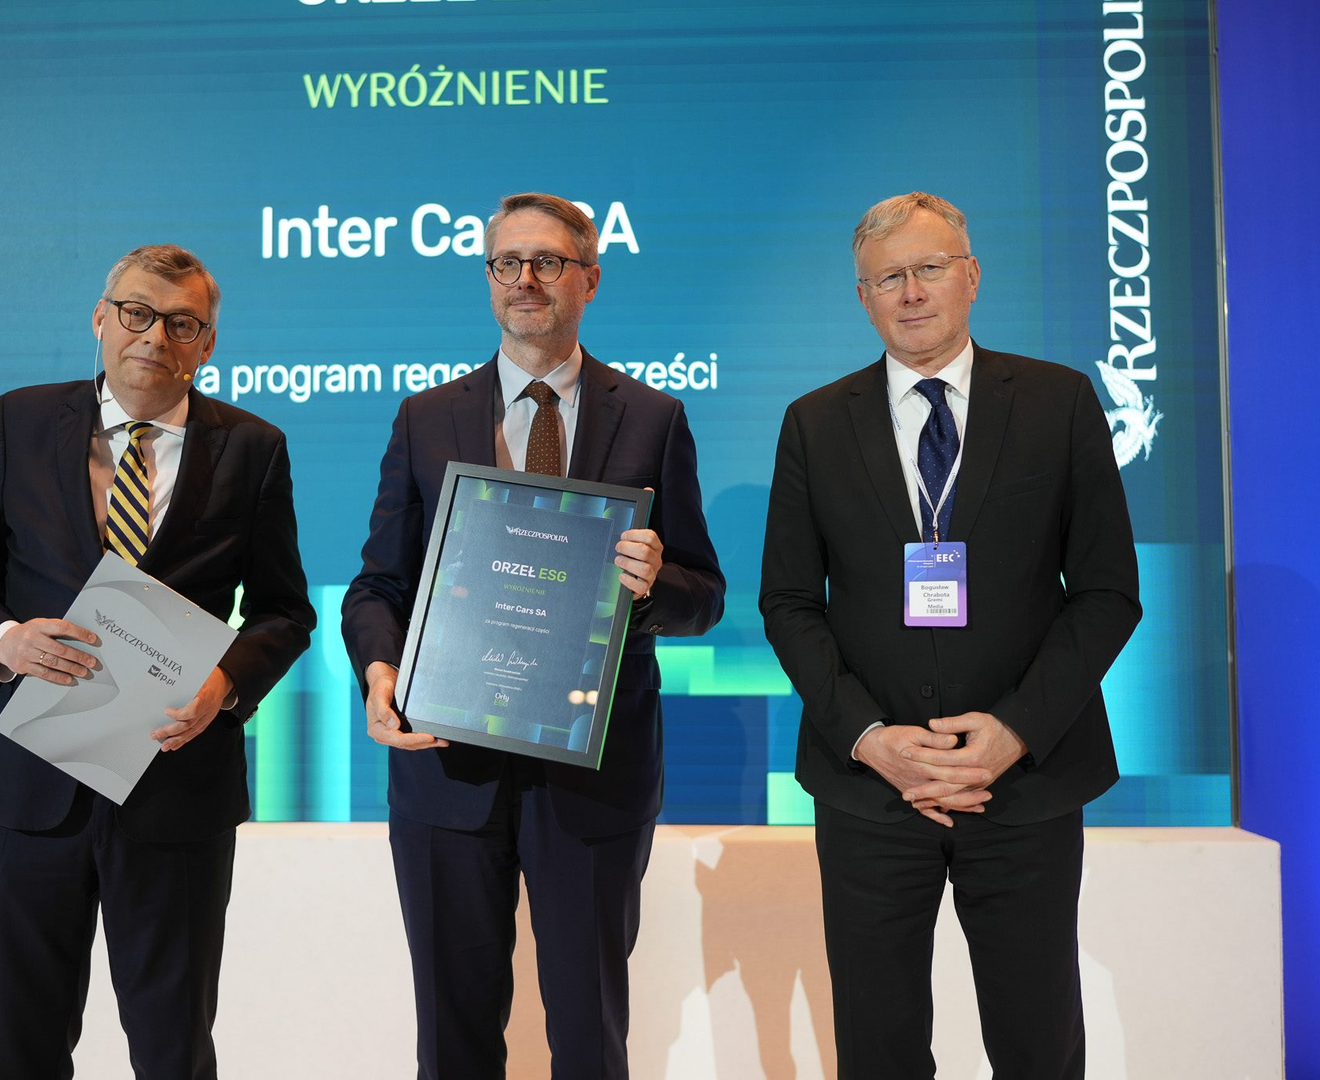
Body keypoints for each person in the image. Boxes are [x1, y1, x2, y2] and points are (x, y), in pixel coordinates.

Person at [758, 191, 1142, 1079]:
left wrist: (1013, 733)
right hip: (871, 793)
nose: (911, 292)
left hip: (1025, 786)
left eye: (929, 268)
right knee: (878, 1051)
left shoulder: (1058, 401)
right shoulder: (814, 421)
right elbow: (789, 602)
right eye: (887, 277)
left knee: (1038, 1046)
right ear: (863, 297)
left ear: (971, 276)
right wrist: (869, 739)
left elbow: (1107, 594)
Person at [342, 192, 725, 1079]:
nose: (525, 279)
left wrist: (652, 585)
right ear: (489, 280)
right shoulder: (425, 417)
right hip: (447, 769)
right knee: (453, 1042)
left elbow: (702, 597)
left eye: (548, 261)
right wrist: (379, 670)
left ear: (589, 279)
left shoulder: (654, 418)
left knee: (589, 1040)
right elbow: (378, 585)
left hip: (592, 776)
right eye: (506, 262)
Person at [0, 244, 315, 1079]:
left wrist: (227, 684)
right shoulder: (22, 420)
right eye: (137, 313)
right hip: (29, 781)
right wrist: (6, 642)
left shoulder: (253, 447)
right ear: (100, 319)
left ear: (207, 343)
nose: (154, 337)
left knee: (174, 1049)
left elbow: (285, 612)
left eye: (182, 323)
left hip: (175, 787)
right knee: (24, 1046)